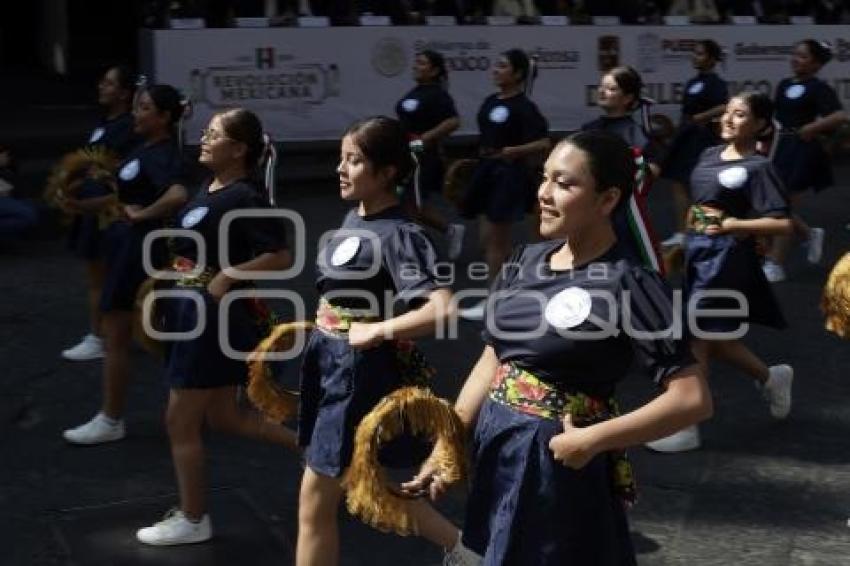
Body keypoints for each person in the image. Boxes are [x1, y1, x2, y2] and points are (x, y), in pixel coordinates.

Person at [406, 130, 711, 565]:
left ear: (607, 200)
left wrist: (592, 440)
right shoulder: (523, 261)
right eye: (545, 178)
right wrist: (449, 438)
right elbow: (495, 355)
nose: (545, 194)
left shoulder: (629, 282)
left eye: (565, 184)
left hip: (557, 464)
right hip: (498, 445)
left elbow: (692, 399)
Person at [296, 116, 457, 566]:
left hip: (357, 372)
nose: (341, 169)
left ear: (388, 173)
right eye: (341, 159)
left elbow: (441, 309)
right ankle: (468, 553)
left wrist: (377, 329)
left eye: (355, 160)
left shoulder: (401, 235)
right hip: (331, 362)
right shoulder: (355, 216)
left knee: (314, 498)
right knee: (363, 479)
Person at [135, 108, 298, 545]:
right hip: (190, 308)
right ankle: (318, 453)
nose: (204, 139)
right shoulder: (207, 186)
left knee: (179, 420)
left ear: (239, 149)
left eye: (214, 135)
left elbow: (280, 255)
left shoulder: (246, 196)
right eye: (205, 132)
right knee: (225, 418)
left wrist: (230, 274)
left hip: (210, 315)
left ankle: (193, 519)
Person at [647, 92, 794, 453]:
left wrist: (733, 224)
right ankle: (771, 377)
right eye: (727, 111)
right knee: (715, 340)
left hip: (728, 261)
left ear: (760, 125)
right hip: (699, 255)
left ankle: (687, 425)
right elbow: (699, 207)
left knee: (695, 337)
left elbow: (783, 223)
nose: (728, 119)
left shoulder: (759, 167)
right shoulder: (709, 154)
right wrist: (684, 242)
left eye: (740, 114)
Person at [63, 84, 189, 445]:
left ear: (164, 118)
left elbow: (177, 194)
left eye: (145, 108)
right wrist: (85, 204)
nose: (137, 113)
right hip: (126, 246)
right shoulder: (143, 147)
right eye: (137, 107)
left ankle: (111, 419)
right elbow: (126, 196)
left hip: (140, 251)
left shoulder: (164, 153)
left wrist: (142, 215)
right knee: (147, 333)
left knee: (120, 332)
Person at [459, 48, 550, 319]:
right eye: (496, 66)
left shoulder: (525, 107)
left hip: (508, 175)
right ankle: (517, 286)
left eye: (502, 66)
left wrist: (516, 151)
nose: (495, 70)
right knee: (488, 240)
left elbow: (544, 142)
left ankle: (495, 302)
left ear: (518, 74)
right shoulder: (489, 101)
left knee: (497, 240)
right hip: (486, 171)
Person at [61, 65, 141, 362]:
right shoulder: (105, 122)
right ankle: (109, 333)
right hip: (91, 207)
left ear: (123, 93)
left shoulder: (127, 127)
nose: (101, 87)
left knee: (102, 277)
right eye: (103, 82)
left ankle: (99, 337)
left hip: (106, 211)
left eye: (108, 84)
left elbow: (117, 172)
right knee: (99, 276)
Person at [763, 39, 847, 282]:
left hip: (803, 151)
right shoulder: (783, 85)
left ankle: (776, 264)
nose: (795, 59)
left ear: (816, 64)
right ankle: (809, 234)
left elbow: (840, 116)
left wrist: (813, 126)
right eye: (795, 54)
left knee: (782, 207)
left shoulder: (818, 88)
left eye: (803, 57)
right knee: (772, 205)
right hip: (780, 147)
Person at [581, 65, 663, 272]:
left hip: (620, 214)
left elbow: (651, 170)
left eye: (611, 88)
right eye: (601, 86)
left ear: (627, 98)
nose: (602, 91)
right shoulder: (588, 129)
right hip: (589, 210)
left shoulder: (635, 133)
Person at [395, 49, 465, 259]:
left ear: (434, 70)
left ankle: (417, 252)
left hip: (422, 155)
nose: (416, 66)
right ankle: (448, 231)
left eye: (423, 63)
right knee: (406, 202)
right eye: (416, 62)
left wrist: (425, 138)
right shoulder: (415, 92)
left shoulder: (437, 94)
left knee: (412, 204)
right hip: (404, 152)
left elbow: (453, 121)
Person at [660, 40, 729, 248]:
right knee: (678, 183)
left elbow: (724, 106)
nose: (694, 57)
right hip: (686, 135)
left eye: (699, 54)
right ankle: (682, 232)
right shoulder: (692, 82)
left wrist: (703, 117)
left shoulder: (716, 83)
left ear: (711, 58)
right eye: (694, 53)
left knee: (700, 186)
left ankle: (706, 231)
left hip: (702, 138)